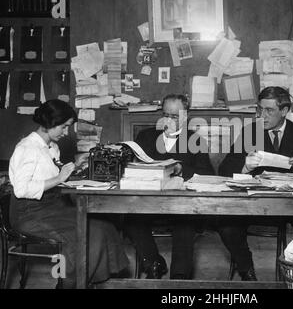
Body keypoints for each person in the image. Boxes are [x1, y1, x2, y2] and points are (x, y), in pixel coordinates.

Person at [8, 99, 128, 288]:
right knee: (87, 233)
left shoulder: (50, 146)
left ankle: (97, 281)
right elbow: (21, 189)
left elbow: (50, 173)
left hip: (51, 206)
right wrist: (59, 178)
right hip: (29, 213)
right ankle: (69, 284)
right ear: (50, 123)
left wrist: (73, 168)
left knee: (104, 225)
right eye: (64, 127)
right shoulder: (27, 148)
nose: (66, 133)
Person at [218, 86, 293, 280]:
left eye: (269, 110)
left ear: (284, 111)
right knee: (226, 226)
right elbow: (223, 170)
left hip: (292, 205)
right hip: (255, 204)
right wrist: (245, 167)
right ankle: (246, 270)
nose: (262, 116)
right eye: (259, 109)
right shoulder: (251, 132)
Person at [124, 94, 214, 280]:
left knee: (185, 224)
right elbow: (132, 167)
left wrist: (181, 169)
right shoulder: (146, 136)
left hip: (181, 204)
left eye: (174, 116)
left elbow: (207, 174)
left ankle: (180, 278)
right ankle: (153, 263)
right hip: (148, 202)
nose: (169, 120)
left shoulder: (195, 140)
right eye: (165, 114)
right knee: (130, 218)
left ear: (185, 116)